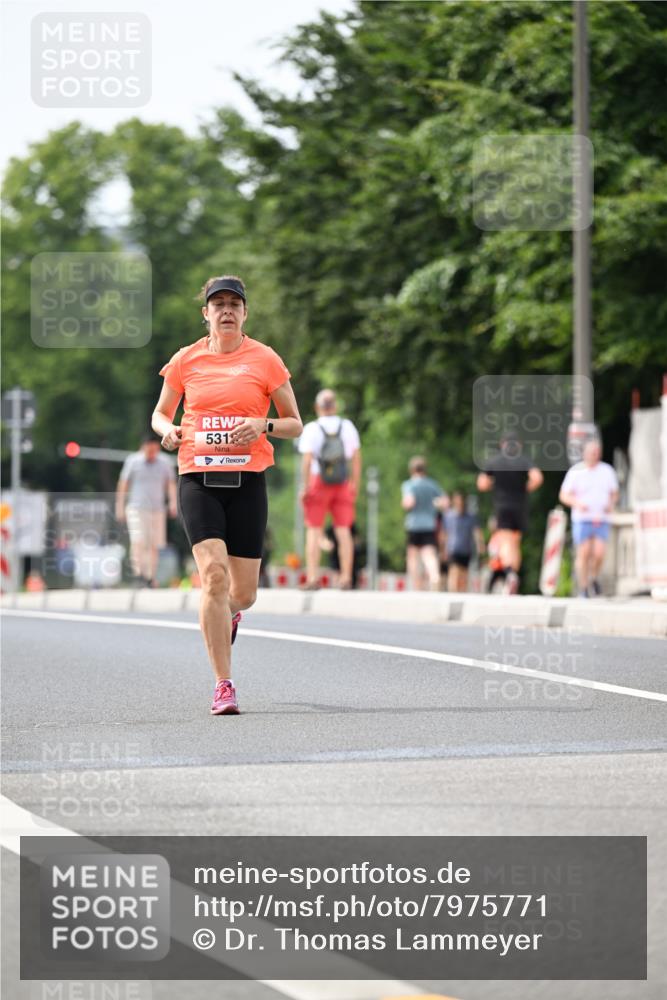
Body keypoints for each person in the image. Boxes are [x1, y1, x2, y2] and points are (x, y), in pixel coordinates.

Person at [152, 275, 302, 715]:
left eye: (234, 304)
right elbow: (160, 413)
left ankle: (228, 614)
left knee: (245, 593)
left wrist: (264, 425)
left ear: (245, 312)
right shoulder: (186, 361)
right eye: (218, 304)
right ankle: (224, 685)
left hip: (247, 481)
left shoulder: (266, 360)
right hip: (198, 476)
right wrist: (170, 431)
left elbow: (295, 422)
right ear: (206, 314)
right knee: (213, 576)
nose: (226, 311)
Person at [298, 389, 361, 589]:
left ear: (317, 407)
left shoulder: (312, 428)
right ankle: (345, 577)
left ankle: (313, 577)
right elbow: (356, 458)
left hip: (318, 482)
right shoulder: (347, 426)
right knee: (343, 531)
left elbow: (307, 460)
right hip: (342, 483)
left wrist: (305, 486)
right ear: (335, 406)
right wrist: (354, 484)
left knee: (314, 531)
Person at [476, 432, 543, 594]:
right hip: (520, 506)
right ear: (518, 445)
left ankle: (510, 574)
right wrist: (525, 488)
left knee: (505, 541)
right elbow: (538, 478)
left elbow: (481, 484)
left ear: (502, 444)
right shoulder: (523, 460)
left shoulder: (495, 460)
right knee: (515, 542)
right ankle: (512, 576)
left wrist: (495, 484)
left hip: (502, 506)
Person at [559, 436, 619, 597]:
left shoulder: (607, 471)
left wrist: (610, 505)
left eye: (597, 452)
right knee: (583, 553)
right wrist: (577, 503)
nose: (595, 455)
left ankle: (593, 577)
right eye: (592, 452)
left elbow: (614, 493)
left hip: (601, 517)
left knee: (599, 553)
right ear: (585, 453)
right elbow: (564, 495)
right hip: (582, 518)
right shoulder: (576, 471)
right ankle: (584, 587)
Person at [115, 433, 177, 586]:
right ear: (143, 448)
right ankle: (139, 574)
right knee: (138, 541)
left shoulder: (165, 462)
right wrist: (120, 506)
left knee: (154, 544)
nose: (152, 454)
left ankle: (150, 576)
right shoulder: (133, 461)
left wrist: (173, 502)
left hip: (157, 509)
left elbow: (170, 483)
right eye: (149, 451)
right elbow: (123, 484)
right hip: (137, 507)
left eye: (155, 450)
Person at [401, 456, 448, 591]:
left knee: (413, 555)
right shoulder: (432, 484)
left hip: (414, 524)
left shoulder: (409, 484)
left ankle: (416, 585)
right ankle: (434, 577)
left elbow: (409, 502)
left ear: (411, 470)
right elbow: (445, 502)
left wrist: (406, 504)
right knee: (429, 554)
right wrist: (434, 505)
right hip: (429, 524)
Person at [443, 491, 485, 593]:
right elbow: (445, 534)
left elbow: (477, 531)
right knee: (454, 572)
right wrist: (443, 548)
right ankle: (452, 593)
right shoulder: (449, 516)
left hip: (466, 549)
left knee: (464, 574)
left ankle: (461, 594)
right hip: (453, 548)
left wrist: (480, 545)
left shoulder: (471, 517)